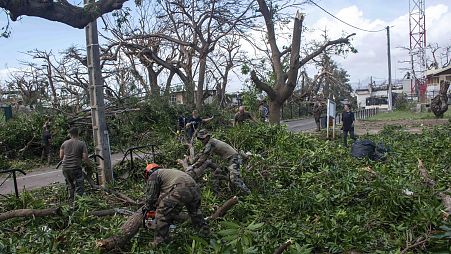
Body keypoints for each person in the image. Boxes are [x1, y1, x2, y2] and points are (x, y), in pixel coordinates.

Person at [143, 163, 209, 247]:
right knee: (195, 213)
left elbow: (151, 196)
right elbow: (167, 194)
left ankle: (160, 241)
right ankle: (205, 233)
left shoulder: (154, 175)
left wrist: (148, 207)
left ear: (148, 172)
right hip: (194, 187)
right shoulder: (167, 173)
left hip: (181, 188)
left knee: (161, 213)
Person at [188, 129, 250, 195]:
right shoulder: (210, 142)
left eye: (203, 139)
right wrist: (193, 160)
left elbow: (203, 158)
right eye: (200, 139)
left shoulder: (211, 143)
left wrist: (193, 166)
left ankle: (248, 193)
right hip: (228, 160)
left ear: (207, 137)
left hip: (234, 159)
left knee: (234, 179)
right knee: (216, 174)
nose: (202, 141)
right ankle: (223, 194)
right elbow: (202, 153)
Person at [59, 127, 92, 202]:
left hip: (65, 168)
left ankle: (71, 203)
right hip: (75, 168)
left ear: (70, 134)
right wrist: (90, 165)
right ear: (78, 134)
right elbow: (85, 157)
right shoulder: (81, 143)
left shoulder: (64, 143)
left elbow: (61, 157)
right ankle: (78, 203)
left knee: (70, 186)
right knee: (79, 186)